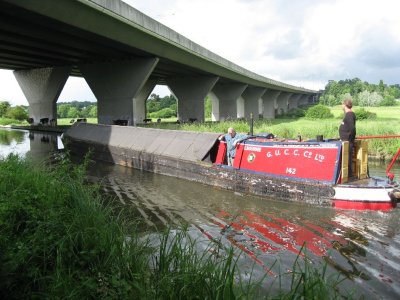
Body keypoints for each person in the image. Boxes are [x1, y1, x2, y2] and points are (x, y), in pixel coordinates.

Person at [339, 99, 356, 177]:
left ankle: (348, 175)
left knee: (347, 158)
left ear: (345, 105)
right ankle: (347, 174)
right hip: (346, 140)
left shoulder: (349, 114)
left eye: (342, 104)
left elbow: (352, 128)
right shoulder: (348, 114)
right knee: (346, 157)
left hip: (347, 141)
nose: (342, 106)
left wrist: (348, 138)